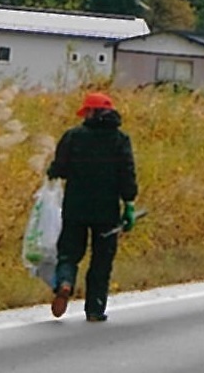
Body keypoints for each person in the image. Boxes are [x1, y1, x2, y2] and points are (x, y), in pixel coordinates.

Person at [47, 91, 138, 322]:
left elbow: (58, 169)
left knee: (68, 253)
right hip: (107, 212)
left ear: (90, 112)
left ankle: (65, 282)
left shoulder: (73, 136)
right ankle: (95, 310)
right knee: (101, 261)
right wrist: (129, 204)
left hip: (75, 208)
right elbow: (127, 174)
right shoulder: (120, 140)